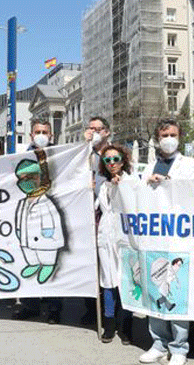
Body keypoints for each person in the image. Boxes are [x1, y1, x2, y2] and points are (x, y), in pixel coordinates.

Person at [138, 119, 194, 365]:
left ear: (180, 137)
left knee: (176, 294)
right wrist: (148, 182)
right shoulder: (148, 166)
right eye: (164, 134)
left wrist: (168, 180)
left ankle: (179, 347)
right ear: (157, 137)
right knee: (155, 291)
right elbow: (139, 195)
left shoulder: (191, 165)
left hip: (179, 237)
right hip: (154, 237)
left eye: (173, 134)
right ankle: (157, 343)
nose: (168, 138)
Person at [12, 119, 63, 324]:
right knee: (28, 256)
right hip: (27, 211)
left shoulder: (61, 155)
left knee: (53, 265)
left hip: (47, 211)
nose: (41, 135)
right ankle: (29, 306)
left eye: (45, 132)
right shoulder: (19, 157)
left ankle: (54, 309)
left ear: (50, 135)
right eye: (37, 132)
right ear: (31, 135)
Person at [96, 144, 135, 344]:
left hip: (125, 238)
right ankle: (109, 324)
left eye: (115, 159)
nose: (112, 163)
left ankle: (126, 325)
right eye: (107, 160)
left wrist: (122, 187)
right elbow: (98, 208)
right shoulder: (103, 185)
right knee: (108, 281)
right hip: (106, 237)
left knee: (125, 281)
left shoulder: (131, 181)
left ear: (123, 160)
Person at [81, 116, 113, 326]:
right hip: (87, 214)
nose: (94, 133)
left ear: (107, 132)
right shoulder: (83, 154)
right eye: (90, 129)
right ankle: (91, 310)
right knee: (89, 265)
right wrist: (84, 146)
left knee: (109, 269)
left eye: (98, 129)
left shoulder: (113, 154)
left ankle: (112, 315)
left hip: (108, 215)